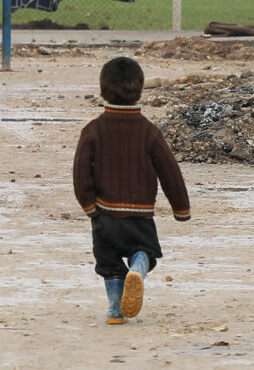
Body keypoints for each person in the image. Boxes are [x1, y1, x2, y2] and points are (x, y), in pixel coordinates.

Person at [71, 56, 192, 324]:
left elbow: (80, 171)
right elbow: (170, 171)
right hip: (140, 215)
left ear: (103, 90)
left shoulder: (93, 130)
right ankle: (138, 268)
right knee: (145, 251)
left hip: (105, 214)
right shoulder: (150, 132)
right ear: (140, 92)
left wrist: (89, 206)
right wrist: (181, 208)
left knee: (110, 264)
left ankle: (115, 311)